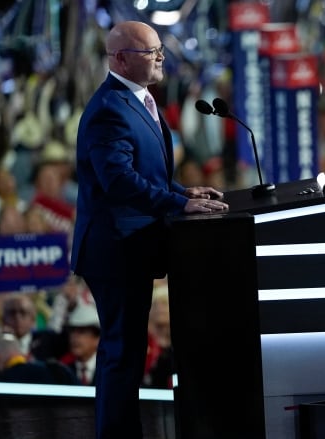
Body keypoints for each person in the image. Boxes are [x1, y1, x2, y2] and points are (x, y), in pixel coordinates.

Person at [70, 21, 228, 439]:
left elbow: (143, 172)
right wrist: (178, 203)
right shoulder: (109, 109)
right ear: (120, 58)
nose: (161, 57)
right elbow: (118, 181)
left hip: (132, 245)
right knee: (122, 352)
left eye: (160, 49)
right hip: (115, 248)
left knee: (125, 350)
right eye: (151, 51)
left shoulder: (138, 100)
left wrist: (182, 190)